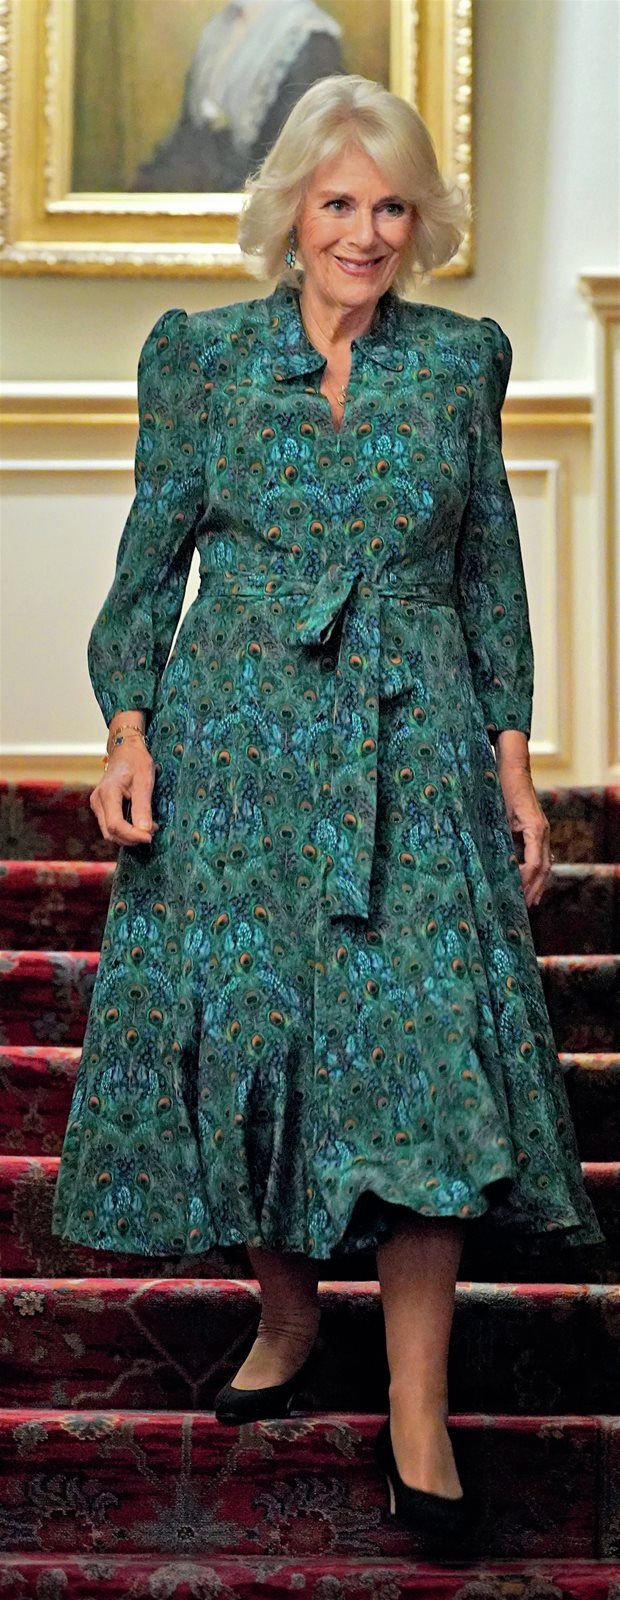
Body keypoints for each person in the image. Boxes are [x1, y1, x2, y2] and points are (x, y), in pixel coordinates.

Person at [52, 73, 606, 1552]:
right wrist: (127, 729)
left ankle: (419, 1408)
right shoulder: (203, 359)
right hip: (235, 745)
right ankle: (287, 1319)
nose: (366, 232)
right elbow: (148, 560)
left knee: (424, 1055)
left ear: (422, 223)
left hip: (413, 741)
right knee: (256, 1035)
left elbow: (488, 571)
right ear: (290, 211)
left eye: (392, 206)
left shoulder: (460, 362)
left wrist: (510, 758)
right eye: (340, 202)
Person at [131, 0, 344, 192]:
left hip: (252, 196)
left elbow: (290, 161)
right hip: (200, 186)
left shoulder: (312, 41)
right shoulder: (221, 29)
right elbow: (189, 132)